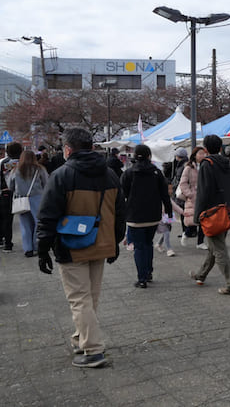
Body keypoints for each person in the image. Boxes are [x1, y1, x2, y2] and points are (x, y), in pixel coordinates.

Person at [36, 128, 126, 368]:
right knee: (90, 297)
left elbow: (47, 216)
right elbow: (120, 213)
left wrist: (42, 249)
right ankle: (81, 338)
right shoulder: (110, 174)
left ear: (67, 149)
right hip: (102, 242)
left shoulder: (61, 175)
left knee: (79, 298)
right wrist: (116, 241)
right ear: (91, 147)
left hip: (72, 244)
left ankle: (93, 350)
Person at [190, 134, 230, 295]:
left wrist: (197, 216)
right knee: (215, 246)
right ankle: (201, 275)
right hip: (227, 211)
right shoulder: (229, 165)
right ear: (220, 148)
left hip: (211, 214)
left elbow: (203, 193)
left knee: (218, 249)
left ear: (205, 149)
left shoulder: (207, 165)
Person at [121, 144, 172, 288]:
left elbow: (123, 194)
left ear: (134, 156)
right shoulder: (156, 172)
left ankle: (142, 278)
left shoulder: (128, 173)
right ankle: (148, 272)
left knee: (139, 247)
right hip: (153, 215)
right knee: (148, 243)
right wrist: (169, 212)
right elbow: (164, 194)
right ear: (149, 156)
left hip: (134, 216)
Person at [9, 150, 48, 258]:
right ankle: (36, 245)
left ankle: (28, 248)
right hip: (37, 198)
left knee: (25, 224)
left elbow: (10, 186)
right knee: (38, 222)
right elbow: (46, 183)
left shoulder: (15, 170)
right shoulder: (40, 169)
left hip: (21, 199)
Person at [179, 146, 208, 250]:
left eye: (204, 153)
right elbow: (183, 183)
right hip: (193, 197)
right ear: (194, 155)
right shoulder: (189, 168)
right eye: (200, 153)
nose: (202, 155)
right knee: (192, 220)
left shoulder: (206, 165)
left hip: (204, 196)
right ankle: (186, 234)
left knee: (203, 220)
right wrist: (189, 194)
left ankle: (200, 242)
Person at [0, 142, 23, 252]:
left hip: (6, 191)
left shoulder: (4, 163)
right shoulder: (23, 161)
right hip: (21, 192)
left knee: (5, 219)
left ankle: (7, 243)